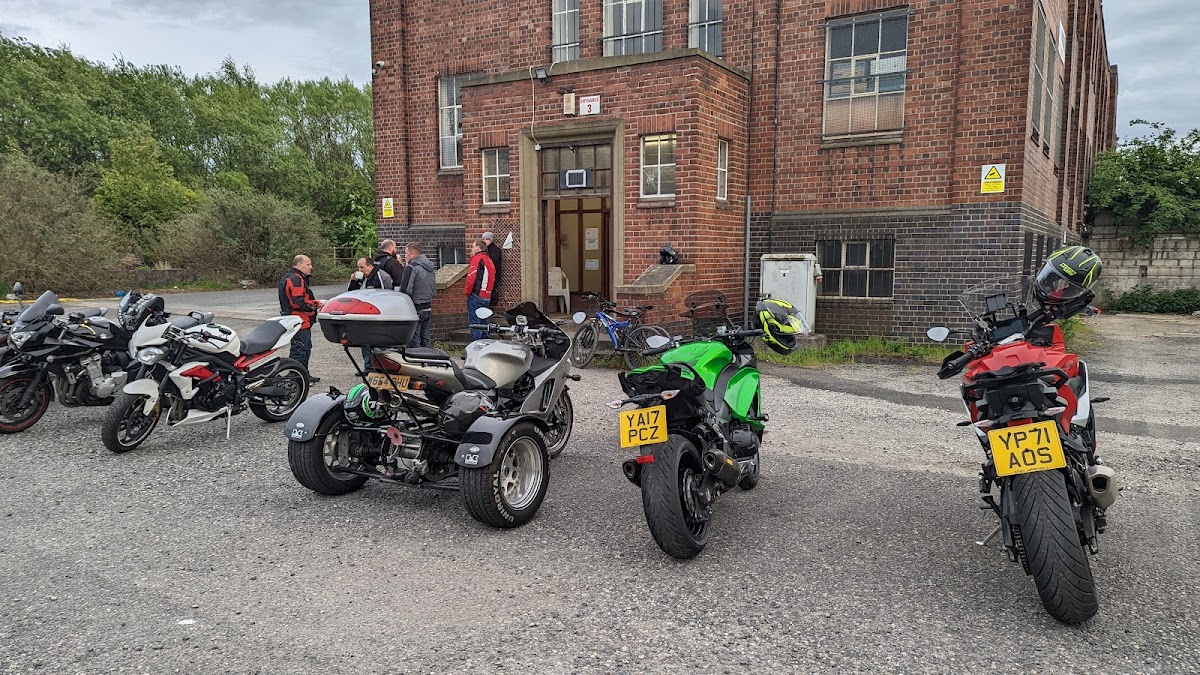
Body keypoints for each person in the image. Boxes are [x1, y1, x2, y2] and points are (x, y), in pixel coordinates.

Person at [278, 254, 324, 383]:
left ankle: (303, 375)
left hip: (298, 319)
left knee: (305, 348)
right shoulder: (295, 279)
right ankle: (295, 377)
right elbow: (298, 302)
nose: (311, 267)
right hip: (298, 320)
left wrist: (314, 304)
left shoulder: (293, 277)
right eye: (308, 264)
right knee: (299, 349)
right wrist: (315, 305)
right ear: (299, 265)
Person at [397, 242, 436, 348]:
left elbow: (405, 289)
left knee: (414, 341)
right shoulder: (430, 267)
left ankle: (416, 358)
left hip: (415, 308)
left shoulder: (411, 267)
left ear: (413, 254)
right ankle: (427, 357)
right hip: (427, 306)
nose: (405, 256)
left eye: (406, 253)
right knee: (425, 339)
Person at [465, 239, 496, 341]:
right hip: (486, 295)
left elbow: (471, 277)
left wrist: (468, 292)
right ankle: (485, 344)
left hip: (476, 295)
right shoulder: (489, 260)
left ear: (478, 248)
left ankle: (476, 345)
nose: (472, 249)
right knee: (485, 323)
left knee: (475, 324)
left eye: (473, 247)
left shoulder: (477, 259)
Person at [482, 231, 502, 307]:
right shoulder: (484, 250)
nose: (485, 241)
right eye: (483, 239)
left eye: (487, 239)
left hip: (493, 275)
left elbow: (493, 262)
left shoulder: (495, 250)